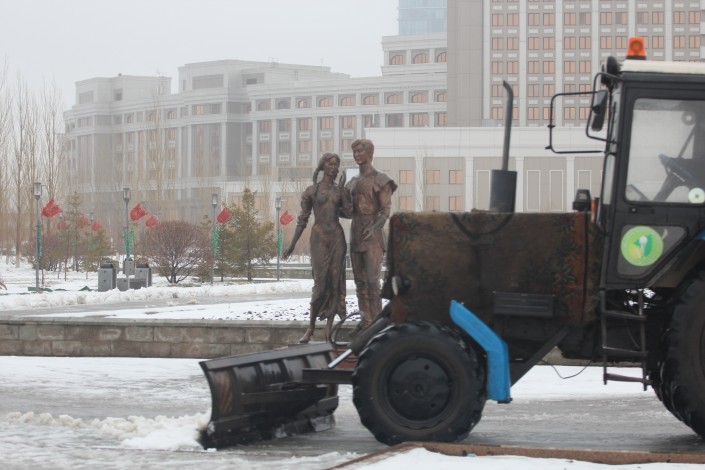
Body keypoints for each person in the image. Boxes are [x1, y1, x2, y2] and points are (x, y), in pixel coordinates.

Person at [282, 152, 350, 343]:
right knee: (320, 285)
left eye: (337, 165)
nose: (334, 168)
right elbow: (302, 220)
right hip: (319, 238)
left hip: (337, 238)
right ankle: (311, 328)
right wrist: (292, 244)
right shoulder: (312, 191)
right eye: (331, 164)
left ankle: (328, 330)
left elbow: (349, 213)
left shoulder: (339, 190)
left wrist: (343, 191)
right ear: (323, 166)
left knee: (335, 283)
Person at [343, 139, 397, 330]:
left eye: (360, 151)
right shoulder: (351, 183)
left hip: (373, 235)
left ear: (370, 153)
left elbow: (385, 211)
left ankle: (377, 324)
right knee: (359, 282)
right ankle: (366, 322)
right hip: (356, 232)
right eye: (355, 151)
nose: (357, 154)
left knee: (373, 282)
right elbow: (347, 212)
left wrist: (373, 228)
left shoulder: (381, 180)